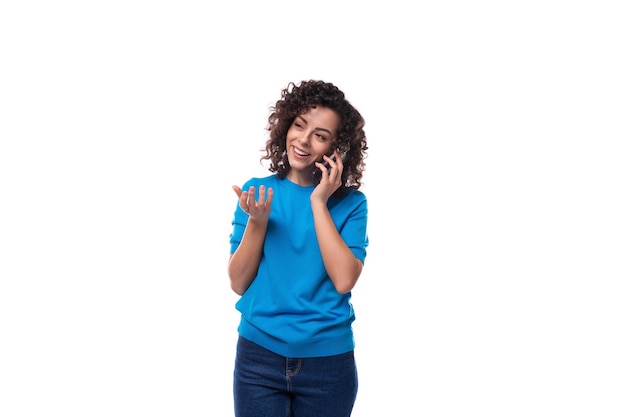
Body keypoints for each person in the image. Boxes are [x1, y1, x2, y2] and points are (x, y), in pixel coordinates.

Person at [227, 79, 369, 417]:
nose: (303, 140)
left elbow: (344, 279)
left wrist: (319, 201)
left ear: (338, 148)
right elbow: (238, 282)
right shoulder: (257, 193)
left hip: (328, 366)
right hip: (258, 358)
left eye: (320, 135)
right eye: (299, 125)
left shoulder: (352, 204)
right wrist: (257, 223)